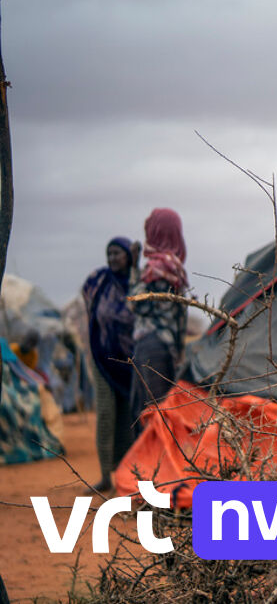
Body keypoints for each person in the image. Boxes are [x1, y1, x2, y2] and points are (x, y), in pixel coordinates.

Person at [81, 236, 139, 492]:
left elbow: (138, 310)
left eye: (118, 253)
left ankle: (124, 476)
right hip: (102, 358)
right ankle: (106, 475)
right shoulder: (100, 280)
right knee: (105, 414)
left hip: (129, 363)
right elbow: (89, 302)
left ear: (128, 255)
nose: (112, 258)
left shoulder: (137, 282)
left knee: (127, 418)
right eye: (109, 253)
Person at [129, 208, 188, 430]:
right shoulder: (176, 267)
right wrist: (179, 351)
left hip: (149, 347)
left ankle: (149, 463)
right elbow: (181, 318)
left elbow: (135, 303)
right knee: (161, 409)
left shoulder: (155, 268)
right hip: (167, 348)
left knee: (148, 413)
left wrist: (133, 270)